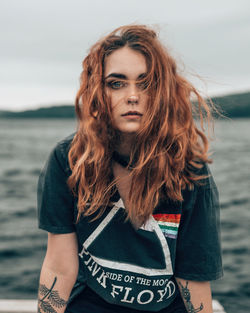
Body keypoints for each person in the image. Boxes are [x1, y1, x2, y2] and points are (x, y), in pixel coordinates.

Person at [37, 24, 223, 313]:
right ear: (98, 91)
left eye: (145, 83)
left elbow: (192, 279)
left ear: (161, 92)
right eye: (116, 83)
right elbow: (60, 267)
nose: (132, 96)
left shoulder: (188, 170)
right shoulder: (70, 159)